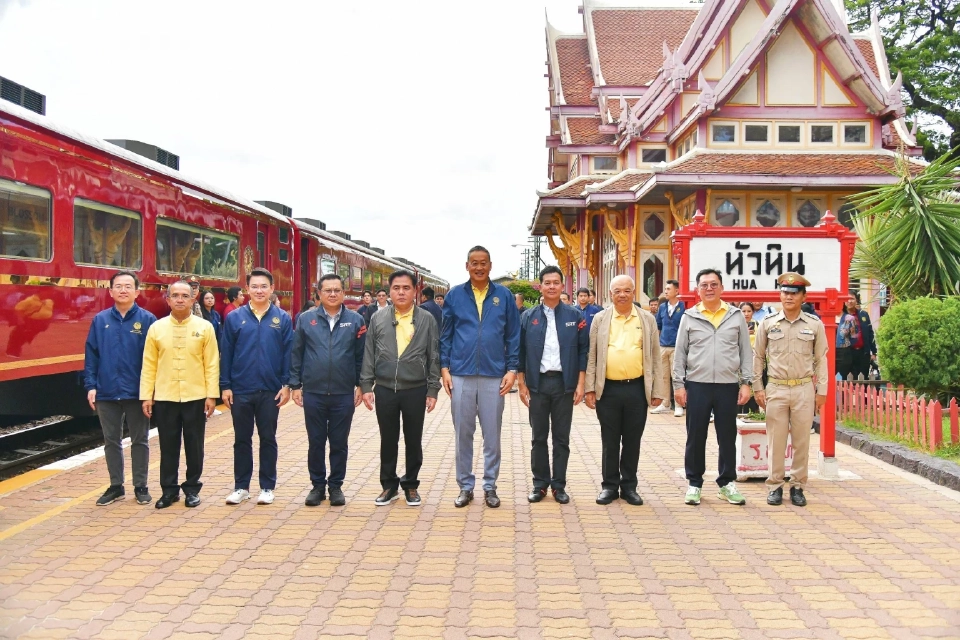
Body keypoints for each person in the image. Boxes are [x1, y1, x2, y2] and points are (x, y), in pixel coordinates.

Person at [440, 246, 520, 508]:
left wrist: (512, 369)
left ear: (490, 265)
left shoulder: (503, 296)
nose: (479, 267)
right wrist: (444, 368)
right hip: (460, 374)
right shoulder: (455, 295)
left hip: (493, 375)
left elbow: (513, 335)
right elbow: (446, 335)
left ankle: (490, 486)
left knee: (492, 435)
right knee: (462, 434)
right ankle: (465, 486)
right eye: (474, 263)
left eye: (483, 263)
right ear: (467, 266)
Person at [361, 270, 441, 507]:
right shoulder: (378, 318)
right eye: (396, 288)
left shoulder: (426, 319)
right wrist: (366, 385)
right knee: (388, 439)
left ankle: (411, 485)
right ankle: (389, 485)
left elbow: (434, 355)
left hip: (415, 388)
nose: (401, 292)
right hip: (385, 388)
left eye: (406, 288)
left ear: (415, 291)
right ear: (389, 291)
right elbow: (369, 353)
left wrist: (433, 389)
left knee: (413, 440)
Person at [673, 269, 752, 507]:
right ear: (697, 289)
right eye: (704, 285)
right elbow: (680, 353)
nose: (709, 288)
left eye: (714, 284)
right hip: (697, 384)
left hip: (728, 385)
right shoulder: (690, 316)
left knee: (727, 436)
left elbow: (745, 351)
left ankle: (726, 483)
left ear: (722, 288)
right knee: (696, 435)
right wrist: (679, 385)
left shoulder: (735, 315)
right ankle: (694, 483)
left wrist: (746, 382)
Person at [585, 275, 666, 505]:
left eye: (627, 290)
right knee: (609, 440)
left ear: (633, 292)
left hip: (636, 389)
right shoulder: (600, 319)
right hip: (608, 389)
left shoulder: (646, 319)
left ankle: (629, 486)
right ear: (610, 294)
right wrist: (590, 388)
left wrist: (658, 390)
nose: (622, 295)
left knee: (632, 440)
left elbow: (655, 356)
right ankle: (609, 486)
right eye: (618, 291)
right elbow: (592, 356)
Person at [141, 280, 220, 509]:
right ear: (167, 300)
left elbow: (211, 363)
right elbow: (149, 364)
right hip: (165, 396)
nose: (180, 299)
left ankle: (192, 489)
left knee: (194, 446)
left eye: (185, 296)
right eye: (175, 295)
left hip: (195, 396)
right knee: (168, 446)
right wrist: (147, 395)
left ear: (193, 299)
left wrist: (211, 395)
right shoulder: (157, 328)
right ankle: (169, 490)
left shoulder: (205, 327)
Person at [289, 273, 366, 507]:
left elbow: (361, 356)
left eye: (337, 290)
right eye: (327, 290)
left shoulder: (356, 321)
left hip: (343, 393)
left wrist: (361, 385)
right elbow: (296, 353)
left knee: (339, 442)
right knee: (316, 441)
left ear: (343, 293)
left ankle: (336, 486)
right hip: (314, 392)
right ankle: (317, 486)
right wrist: (295, 385)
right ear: (319, 294)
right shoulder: (306, 319)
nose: (332, 294)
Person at [220, 268, 294, 506]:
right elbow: (226, 353)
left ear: (272, 289)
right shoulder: (234, 318)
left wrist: (287, 384)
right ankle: (241, 487)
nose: (259, 290)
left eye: (264, 286)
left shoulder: (282, 319)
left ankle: (267, 487)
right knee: (242, 439)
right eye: (254, 286)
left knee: (268, 438)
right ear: (247, 289)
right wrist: (225, 385)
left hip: (270, 390)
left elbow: (288, 354)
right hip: (241, 389)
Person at [754, 273, 828, 507]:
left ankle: (797, 486)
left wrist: (822, 390)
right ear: (780, 295)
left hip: (803, 388)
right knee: (776, 440)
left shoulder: (814, 325)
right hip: (776, 387)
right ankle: (775, 485)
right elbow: (758, 357)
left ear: (803, 297)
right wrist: (758, 387)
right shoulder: (768, 323)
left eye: (794, 293)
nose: (788, 297)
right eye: (785, 292)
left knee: (801, 441)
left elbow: (821, 359)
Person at [84, 271, 157, 506]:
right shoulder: (100, 320)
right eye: (118, 286)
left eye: (128, 286)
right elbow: (92, 355)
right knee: (111, 441)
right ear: (110, 291)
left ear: (137, 291)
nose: (123, 290)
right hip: (106, 391)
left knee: (140, 440)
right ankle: (116, 486)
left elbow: (155, 358)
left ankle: (141, 485)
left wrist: (150, 390)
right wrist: (91, 385)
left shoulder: (148, 320)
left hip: (137, 392)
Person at [517, 266, 588, 504]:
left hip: (563, 384)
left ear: (562, 286)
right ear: (541, 286)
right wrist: (522, 383)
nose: (551, 287)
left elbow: (583, 351)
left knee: (561, 438)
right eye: (547, 283)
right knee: (538, 437)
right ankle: (540, 484)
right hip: (537, 385)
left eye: (556, 282)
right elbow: (520, 352)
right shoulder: (528, 317)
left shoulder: (574, 316)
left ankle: (559, 485)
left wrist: (580, 384)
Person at [652, 280, 685, 417]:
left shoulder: (683, 307)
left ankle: (678, 405)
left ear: (677, 291)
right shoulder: (662, 307)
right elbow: (658, 326)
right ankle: (665, 403)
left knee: (676, 376)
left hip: (677, 346)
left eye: (668, 289)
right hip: (663, 345)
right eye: (665, 289)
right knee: (663, 376)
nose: (665, 291)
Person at [846, 294, 876, 380]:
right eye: (847, 299)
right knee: (849, 379)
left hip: (863, 352)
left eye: (852, 299)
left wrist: (874, 352)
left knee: (863, 378)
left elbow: (870, 333)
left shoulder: (863, 314)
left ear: (856, 300)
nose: (850, 301)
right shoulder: (841, 315)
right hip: (847, 353)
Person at [836, 303, 860, 380]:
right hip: (829, 351)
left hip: (844, 351)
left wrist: (847, 344)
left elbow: (854, 336)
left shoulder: (850, 318)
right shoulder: (827, 317)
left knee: (842, 375)